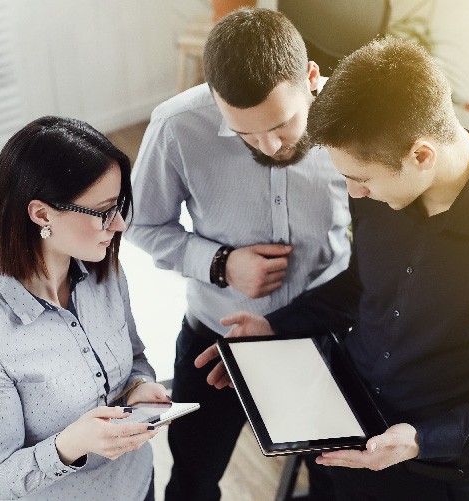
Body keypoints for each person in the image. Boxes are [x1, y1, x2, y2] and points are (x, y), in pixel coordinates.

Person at [200, 36, 469, 500]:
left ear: (421, 155)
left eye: (360, 179)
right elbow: (364, 284)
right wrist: (274, 325)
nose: (354, 192)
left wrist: (423, 440)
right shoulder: (381, 184)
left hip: (436, 472)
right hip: (347, 424)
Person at [125, 8, 350, 501]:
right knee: (193, 479)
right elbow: (141, 224)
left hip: (318, 339)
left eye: (283, 124)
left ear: (312, 78)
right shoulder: (177, 126)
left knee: (335, 479)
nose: (269, 145)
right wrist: (220, 263)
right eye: (244, 133)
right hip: (215, 342)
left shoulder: (351, 119)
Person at [0, 116, 170, 500]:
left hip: (137, 485)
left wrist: (138, 387)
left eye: (119, 207)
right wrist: (70, 444)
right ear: (42, 214)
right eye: (103, 211)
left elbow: (134, 358)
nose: (118, 225)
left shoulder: (106, 274)